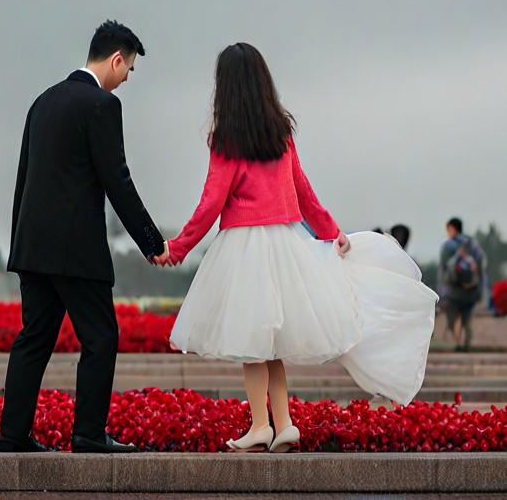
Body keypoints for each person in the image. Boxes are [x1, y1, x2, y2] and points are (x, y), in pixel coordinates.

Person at [166, 42, 438, 453]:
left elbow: (211, 201)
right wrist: (331, 231)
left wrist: (180, 246)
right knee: (270, 343)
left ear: (224, 87)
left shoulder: (226, 139)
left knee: (252, 344)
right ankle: (285, 424)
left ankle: (261, 425)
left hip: (244, 247)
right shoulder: (281, 132)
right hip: (285, 241)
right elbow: (303, 189)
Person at [0, 21, 171, 455]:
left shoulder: (42, 102)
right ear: (116, 59)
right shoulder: (101, 106)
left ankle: (13, 436)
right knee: (101, 339)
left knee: (33, 339)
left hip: (32, 248)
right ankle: (89, 435)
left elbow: (25, 179)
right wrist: (152, 241)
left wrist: (19, 244)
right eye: (129, 70)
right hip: (77, 252)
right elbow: (118, 181)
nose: (127, 79)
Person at [439, 217, 486, 351]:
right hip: (470, 291)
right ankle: (466, 344)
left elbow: (442, 271)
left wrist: (440, 292)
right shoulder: (473, 245)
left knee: (452, 319)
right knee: (466, 321)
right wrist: (480, 291)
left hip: (452, 293)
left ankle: (457, 343)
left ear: (452, 229)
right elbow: (481, 268)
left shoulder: (447, 246)